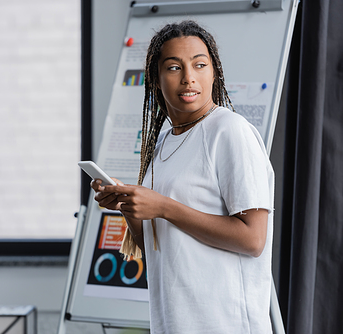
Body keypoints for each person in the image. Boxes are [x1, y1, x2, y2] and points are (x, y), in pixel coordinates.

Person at [91, 21, 274, 333]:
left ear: (214, 71)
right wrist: (127, 205)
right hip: (175, 323)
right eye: (174, 67)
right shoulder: (162, 145)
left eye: (199, 65)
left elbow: (253, 240)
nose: (189, 77)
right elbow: (158, 246)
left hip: (225, 324)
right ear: (155, 78)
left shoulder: (230, 131)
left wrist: (164, 207)